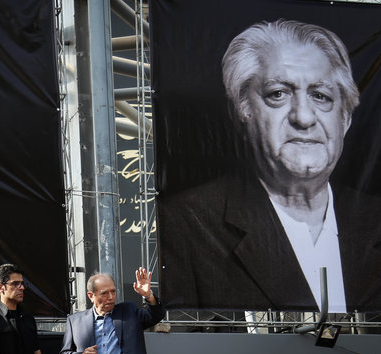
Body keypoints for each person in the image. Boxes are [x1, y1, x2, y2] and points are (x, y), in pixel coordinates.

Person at [159, 19, 381, 312]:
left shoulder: (375, 220)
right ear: (242, 112)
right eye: (278, 94)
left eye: (321, 96)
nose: (303, 117)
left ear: (345, 118)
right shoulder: (186, 225)